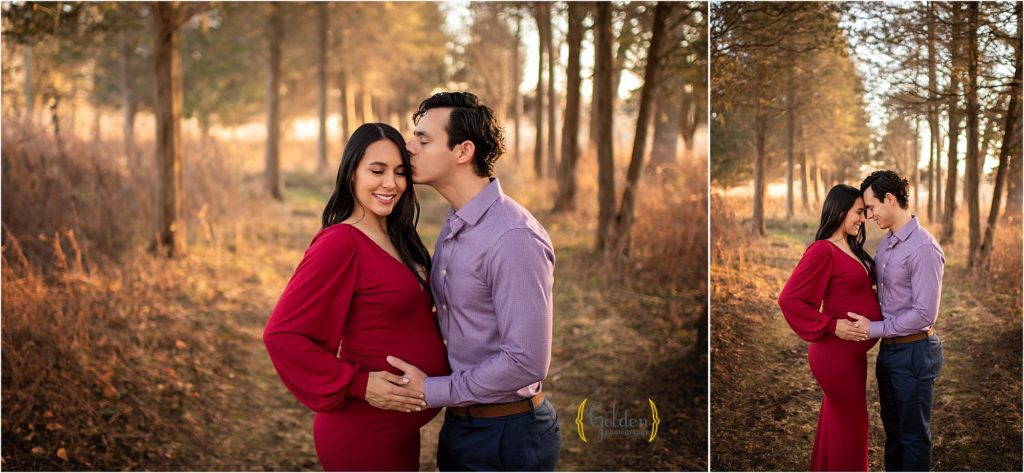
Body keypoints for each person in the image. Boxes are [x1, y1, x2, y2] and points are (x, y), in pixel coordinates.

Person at [371, 91, 561, 471]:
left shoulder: (513, 237)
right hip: (463, 423)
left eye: (423, 140)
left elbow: (527, 361)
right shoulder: (457, 221)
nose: (408, 148)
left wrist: (433, 390)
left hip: (507, 435)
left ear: (463, 151)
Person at [263, 123, 450, 471]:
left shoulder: (399, 236)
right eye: (377, 171)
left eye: (399, 172)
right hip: (362, 433)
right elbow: (281, 335)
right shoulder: (340, 243)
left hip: (398, 431)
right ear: (351, 173)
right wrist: (359, 384)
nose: (390, 183)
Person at [778, 184, 881, 471]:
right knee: (852, 424)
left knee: (840, 422)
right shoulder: (822, 250)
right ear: (840, 210)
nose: (863, 218)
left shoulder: (851, 246)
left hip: (853, 355)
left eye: (864, 212)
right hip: (835, 355)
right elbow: (789, 300)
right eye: (858, 212)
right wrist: (832, 326)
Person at [848, 170, 944, 472]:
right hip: (888, 352)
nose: (869, 215)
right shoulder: (888, 243)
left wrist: (873, 328)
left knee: (913, 437)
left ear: (889, 199)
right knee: (893, 431)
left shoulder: (923, 248)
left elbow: (924, 314)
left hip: (914, 353)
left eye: (871, 207)